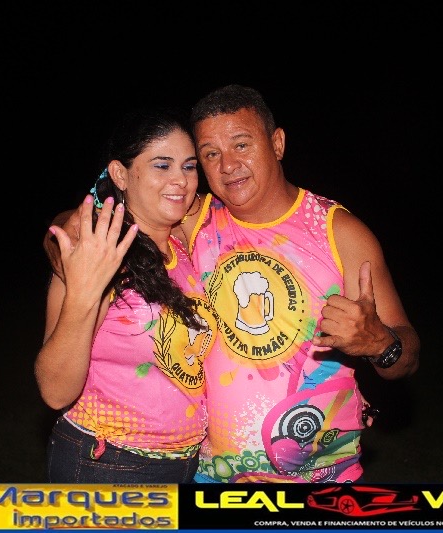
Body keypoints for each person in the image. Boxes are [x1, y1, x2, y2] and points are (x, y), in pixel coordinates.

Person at [45, 85, 420, 483]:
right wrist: (67, 241)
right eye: (210, 154)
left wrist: (380, 344)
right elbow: (107, 210)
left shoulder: (338, 231)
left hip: (319, 474)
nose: (227, 165)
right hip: (209, 473)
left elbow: (408, 354)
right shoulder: (194, 218)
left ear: (277, 143)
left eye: (241, 145)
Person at [35, 107, 218, 483]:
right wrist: (84, 291)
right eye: (162, 165)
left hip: (184, 466)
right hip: (107, 463)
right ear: (120, 174)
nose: (180, 180)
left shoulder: (183, 245)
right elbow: (55, 391)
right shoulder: (98, 251)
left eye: (189, 166)